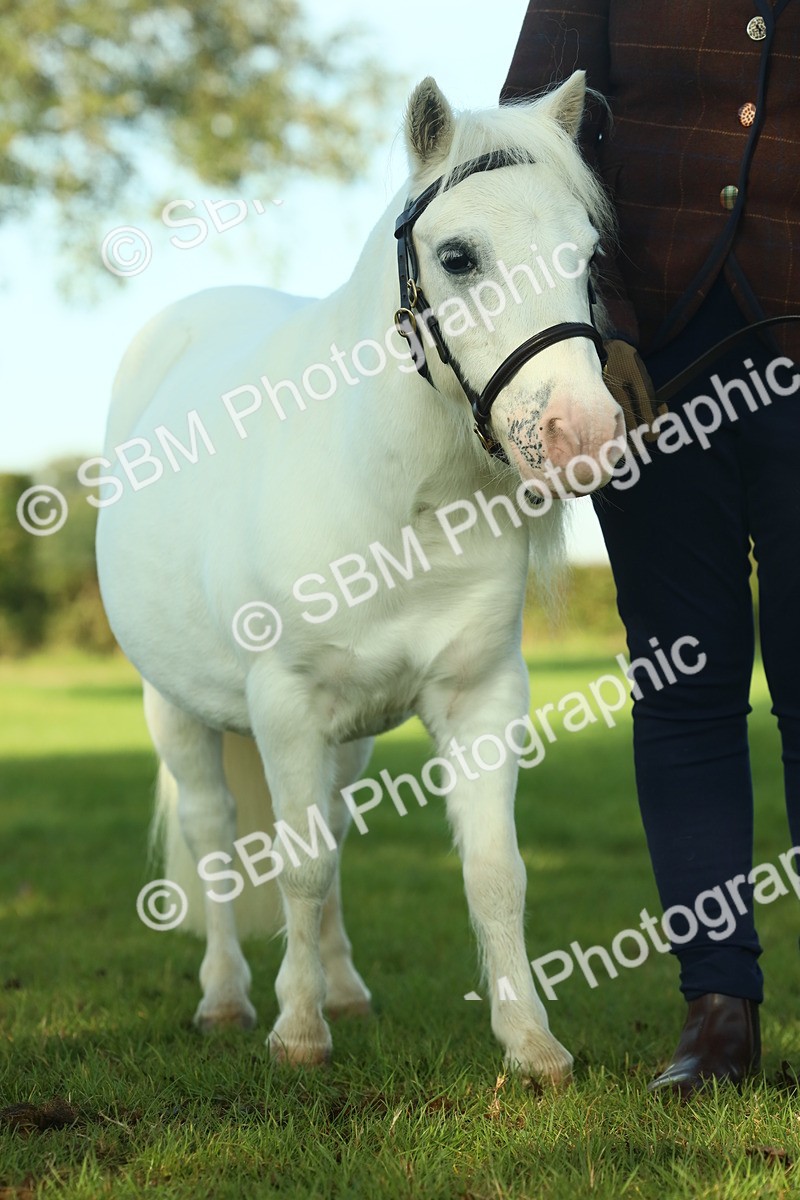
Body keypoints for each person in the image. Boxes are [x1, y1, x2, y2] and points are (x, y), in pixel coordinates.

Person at [501, 0, 800, 1094]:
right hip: (654, 365)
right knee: (683, 686)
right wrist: (607, 326)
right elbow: (530, 149)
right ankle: (715, 1012)